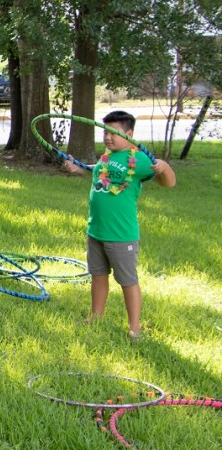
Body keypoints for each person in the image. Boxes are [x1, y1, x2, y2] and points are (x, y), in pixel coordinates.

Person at [63, 110, 176, 340]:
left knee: (127, 281)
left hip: (121, 234)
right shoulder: (108, 156)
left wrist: (165, 168)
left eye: (113, 133)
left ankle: (134, 328)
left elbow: (169, 184)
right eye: (105, 132)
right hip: (96, 230)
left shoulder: (140, 159)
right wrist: (80, 168)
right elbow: (102, 171)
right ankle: (96, 315)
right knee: (98, 275)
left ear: (130, 134)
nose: (107, 137)